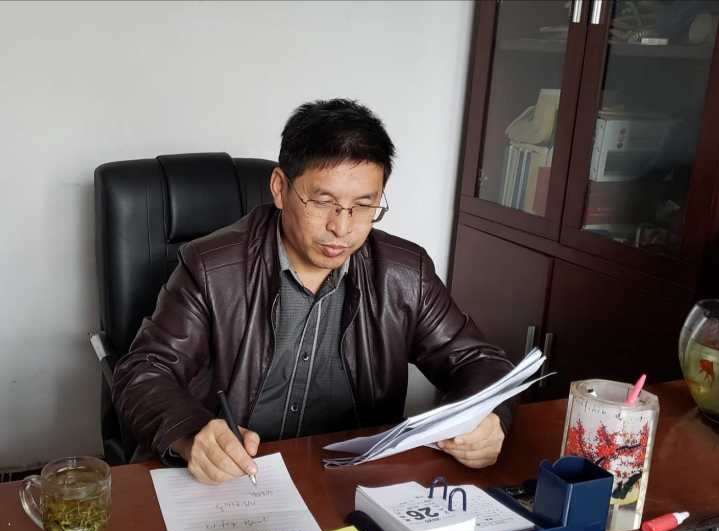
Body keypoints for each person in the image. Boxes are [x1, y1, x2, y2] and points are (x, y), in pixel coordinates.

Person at [113, 98, 517, 484]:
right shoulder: (211, 267)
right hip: (235, 480)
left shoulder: (405, 274)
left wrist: (488, 418)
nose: (342, 227)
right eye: (323, 202)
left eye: (364, 206)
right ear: (279, 188)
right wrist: (193, 433)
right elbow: (143, 371)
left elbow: (479, 361)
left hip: (345, 480)